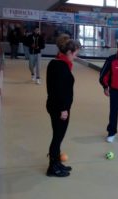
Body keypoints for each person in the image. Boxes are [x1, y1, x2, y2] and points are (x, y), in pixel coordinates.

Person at [46, 34, 80, 177]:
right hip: (59, 108)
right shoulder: (61, 67)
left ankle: (57, 162)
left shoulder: (57, 62)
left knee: (58, 136)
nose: (76, 57)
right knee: (57, 137)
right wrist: (63, 109)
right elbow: (59, 91)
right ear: (69, 52)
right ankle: (52, 168)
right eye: (76, 53)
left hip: (55, 105)